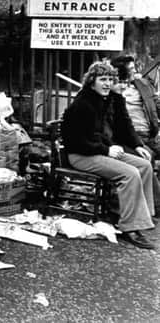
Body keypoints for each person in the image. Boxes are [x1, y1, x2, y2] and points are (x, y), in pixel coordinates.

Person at [61, 61, 156, 249]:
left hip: (101, 150)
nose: (107, 83)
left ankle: (141, 218)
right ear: (91, 82)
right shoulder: (82, 104)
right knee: (130, 174)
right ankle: (131, 228)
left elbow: (125, 126)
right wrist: (106, 150)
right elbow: (75, 141)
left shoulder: (111, 99)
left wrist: (137, 145)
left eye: (110, 79)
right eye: (102, 79)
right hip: (82, 155)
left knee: (144, 166)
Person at [111, 55, 160, 214]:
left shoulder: (142, 85)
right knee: (147, 157)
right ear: (121, 72)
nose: (135, 71)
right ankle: (154, 206)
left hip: (150, 133)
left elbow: (155, 104)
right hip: (130, 136)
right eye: (131, 69)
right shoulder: (112, 90)